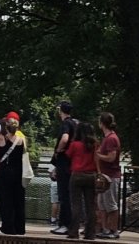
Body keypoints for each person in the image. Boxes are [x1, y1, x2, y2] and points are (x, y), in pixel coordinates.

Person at [0, 111, 27, 235]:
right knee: (18, 201)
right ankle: (19, 228)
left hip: (5, 174)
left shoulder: (2, 139)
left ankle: (7, 227)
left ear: (6, 128)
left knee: (5, 201)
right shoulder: (22, 140)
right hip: (18, 174)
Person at [66, 121, 98, 240]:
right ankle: (90, 233)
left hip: (77, 175)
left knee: (76, 205)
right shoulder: (95, 145)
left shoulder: (75, 144)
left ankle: (74, 231)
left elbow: (68, 155)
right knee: (91, 206)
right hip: (91, 176)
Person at [52, 101, 79, 235]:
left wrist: (58, 151)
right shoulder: (75, 123)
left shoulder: (66, 124)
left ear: (61, 110)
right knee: (70, 195)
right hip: (73, 163)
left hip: (64, 162)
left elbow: (64, 138)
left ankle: (64, 224)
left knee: (64, 195)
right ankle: (72, 224)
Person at [95, 112, 121, 239]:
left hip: (111, 176)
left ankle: (114, 230)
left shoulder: (111, 138)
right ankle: (105, 229)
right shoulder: (106, 138)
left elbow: (111, 158)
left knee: (111, 204)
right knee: (102, 204)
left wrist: (98, 155)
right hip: (104, 176)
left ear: (102, 123)